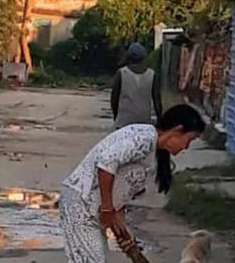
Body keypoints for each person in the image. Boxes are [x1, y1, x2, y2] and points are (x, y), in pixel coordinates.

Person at [59, 104, 206, 263]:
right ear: (177, 130)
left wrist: (123, 232)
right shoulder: (144, 138)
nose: (186, 147)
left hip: (91, 208)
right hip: (80, 203)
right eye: (189, 140)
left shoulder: (151, 150)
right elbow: (106, 163)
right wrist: (108, 208)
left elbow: (120, 189)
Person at [110, 42, 163, 129]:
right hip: (144, 123)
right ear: (144, 58)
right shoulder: (152, 75)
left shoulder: (121, 73)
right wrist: (160, 121)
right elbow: (157, 101)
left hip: (124, 123)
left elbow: (114, 100)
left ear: (129, 58)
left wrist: (117, 117)